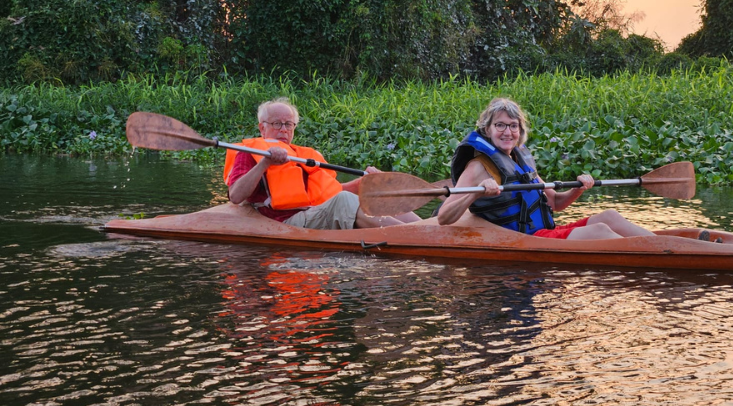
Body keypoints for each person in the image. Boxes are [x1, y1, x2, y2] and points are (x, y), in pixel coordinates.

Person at [437, 97, 654, 240]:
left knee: (609, 217)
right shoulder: (477, 167)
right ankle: (660, 255)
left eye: (513, 126)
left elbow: (555, 202)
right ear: (487, 130)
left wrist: (578, 188)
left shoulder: (520, 162)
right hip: (525, 239)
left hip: (545, 232)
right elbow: (444, 217)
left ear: (519, 130)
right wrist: (475, 194)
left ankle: (662, 246)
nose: (507, 132)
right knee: (599, 231)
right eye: (500, 125)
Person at [224, 98, 419, 229]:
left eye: (288, 124)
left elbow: (328, 193)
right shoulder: (251, 152)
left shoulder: (303, 154)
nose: (283, 129)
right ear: (262, 127)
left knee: (370, 193)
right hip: (285, 222)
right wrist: (264, 163)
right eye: (276, 123)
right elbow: (236, 195)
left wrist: (363, 185)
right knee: (344, 200)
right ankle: (411, 236)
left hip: (313, 213)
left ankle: (425, 228)